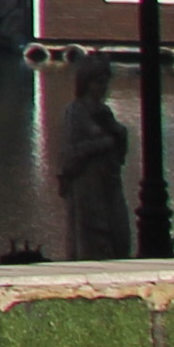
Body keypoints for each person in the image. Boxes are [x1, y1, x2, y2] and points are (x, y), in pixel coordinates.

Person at [57, 80, 137, 261]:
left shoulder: (104, 111)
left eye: (105, 81)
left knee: (117, 230)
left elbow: (120, 148)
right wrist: (105, 143)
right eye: (98, 81)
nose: (103, 86)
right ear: (87, 83)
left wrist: (118, 134)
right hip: (87, 181)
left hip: (108, 179)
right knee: (92, 230)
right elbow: (71, 151)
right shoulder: (75, 112)